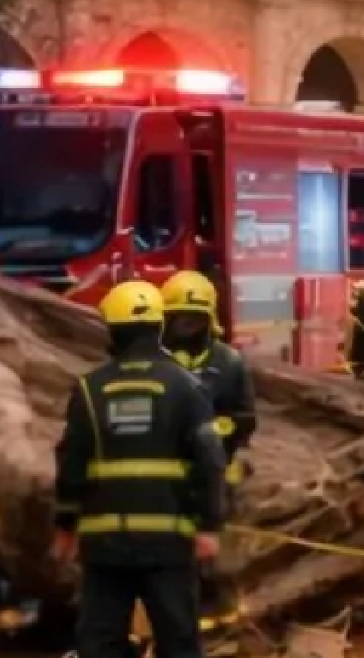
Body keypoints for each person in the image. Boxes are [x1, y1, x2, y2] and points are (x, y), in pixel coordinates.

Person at [53, 279, 227, 658]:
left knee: (100, 643)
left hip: (105, 546)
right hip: (169, 545)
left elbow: (71, 465)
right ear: (158, 327)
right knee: (178, 640)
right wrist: (209, 526)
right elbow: (210, 460)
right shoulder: (187, 386)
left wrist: (66, 527)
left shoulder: (89, 389)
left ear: (112, 331)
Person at [159, 271, 253, 658]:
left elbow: (246, 417)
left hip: (218, 473)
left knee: (213, 551)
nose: (187, 325)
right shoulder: (152, 361)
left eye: (194, 318)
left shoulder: (229, 362)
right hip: (165, 477)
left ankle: (221, 619)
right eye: (179, 317)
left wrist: (213, 434)